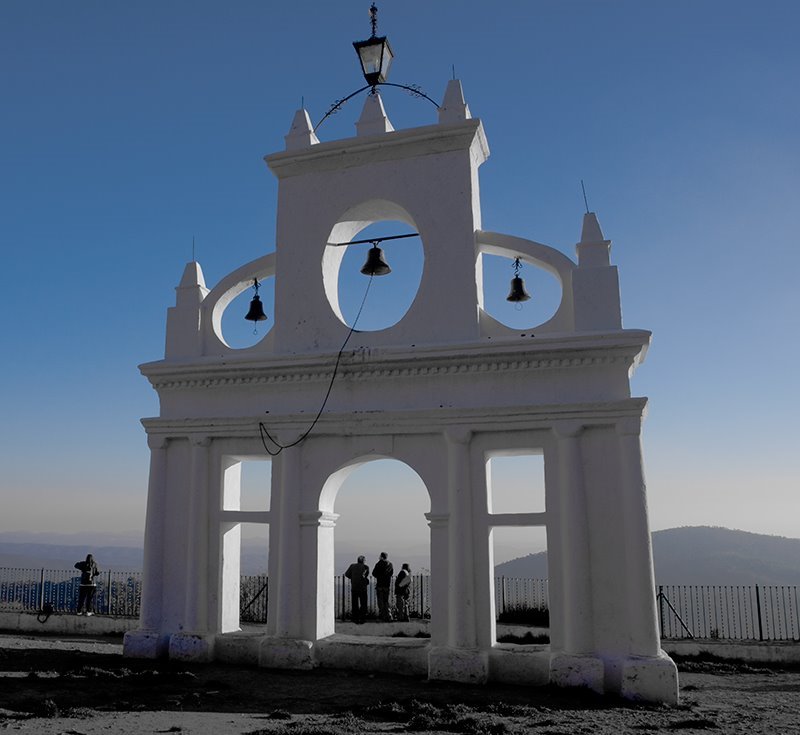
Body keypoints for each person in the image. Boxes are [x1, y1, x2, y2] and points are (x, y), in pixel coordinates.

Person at [344, 555, 370, 624]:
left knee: (355, 604)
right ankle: (362, 618)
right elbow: (366, 575)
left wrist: (353, 577)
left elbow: (346, 574)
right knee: (363, 603)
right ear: (363, 561)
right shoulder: (366, 567)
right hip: (363, 588)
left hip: (354, 587)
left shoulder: (352, 566)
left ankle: (355, 618)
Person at [372, 552, 394, 621]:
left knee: (380, 601)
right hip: (387, 584)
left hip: (380, 585)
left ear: (381, 557)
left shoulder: (378, 564)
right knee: (386, 601)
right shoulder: (390, 564)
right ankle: (389, 615)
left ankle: (382, 616)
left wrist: (379, 576)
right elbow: (391, 573)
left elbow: (374, 573)